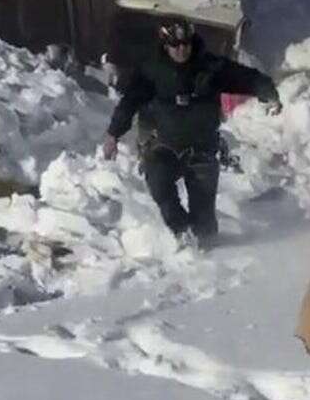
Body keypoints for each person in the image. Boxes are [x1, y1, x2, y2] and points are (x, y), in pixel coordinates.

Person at [103, 16, 281, 248]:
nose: (181, 49)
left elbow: (245, 77)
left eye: (186, 43)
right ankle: (180, 231)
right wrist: (113, 134)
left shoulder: (210, 66)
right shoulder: (151, 71)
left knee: (204, 219)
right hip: (164, 146)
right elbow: (129, 102)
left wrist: (267, 91)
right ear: (165, 45)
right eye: (175, 45)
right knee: (160, 187)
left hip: (202, 149)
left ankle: (213, 256)